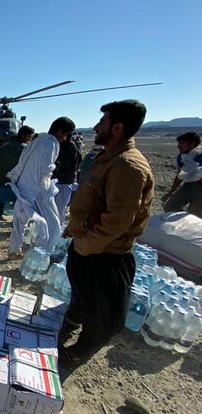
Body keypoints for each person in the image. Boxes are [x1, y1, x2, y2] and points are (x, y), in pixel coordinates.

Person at [60, 99, 154, 363]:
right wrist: (74, 229)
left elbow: (118, 220)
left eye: (103, 121)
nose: (96, 126)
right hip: (86, 246)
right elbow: (93, 200)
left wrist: (86, 245)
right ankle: (71, 321)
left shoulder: (128, 166)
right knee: (82, 294)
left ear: (117, 128)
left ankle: (78, 353)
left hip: (105, 254)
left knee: (104, 315)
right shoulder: (108, 158)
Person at [6, 117, 76, 259]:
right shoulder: (51, 143)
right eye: (65, 135)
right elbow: (45, 169)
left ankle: (14, 251)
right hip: (38, 191)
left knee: (19, 222)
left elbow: (22, 161)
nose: (65, 139)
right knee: (52, 225)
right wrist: (55, 165)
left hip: (23, 188)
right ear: (60, 132)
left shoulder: (37, 140)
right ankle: (41, 255)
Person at [0, 126, 35, 240]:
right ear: (23, 135)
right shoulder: (28, 150)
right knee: (19, 210)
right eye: (28, 136)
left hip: (2, 184)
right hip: (20, 187)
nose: (29, 139)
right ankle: (15, 231)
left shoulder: (3, 148)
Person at [161, 132, 202, 218]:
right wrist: (170, 193)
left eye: (181, 143)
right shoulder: (182, 157)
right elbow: (180, 176)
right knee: (170, 207)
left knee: (195, 216)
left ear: (192, 144)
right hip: (189, 185)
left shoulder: (200, 156)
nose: (178, 146)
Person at [52, 133, 82, 225]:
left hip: (64, 182)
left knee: (60, 209)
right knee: (55, 208)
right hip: (58, 181)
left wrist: (56, 165)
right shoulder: (60, 146)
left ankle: (57, 229)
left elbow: (69, 163)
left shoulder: (70, 147)